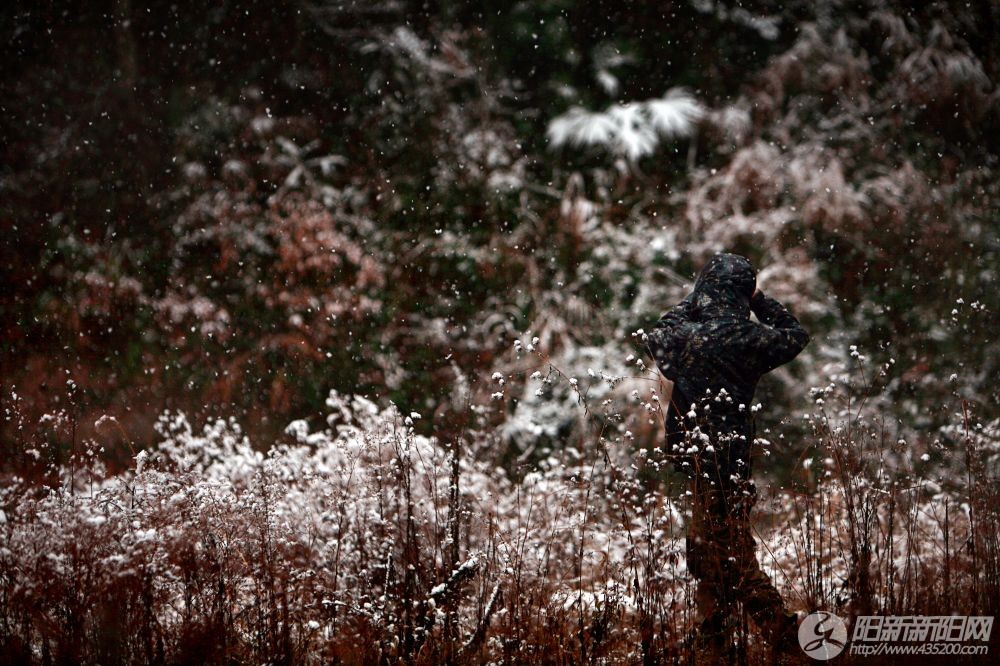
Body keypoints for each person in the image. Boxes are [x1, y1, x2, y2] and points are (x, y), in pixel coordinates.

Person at [645, 253, 810, 663]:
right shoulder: (748, 338)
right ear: (742, 293)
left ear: (706, 290)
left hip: (698, 461)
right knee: (710, 553)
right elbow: (795, 334)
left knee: (730, 558)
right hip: (733, 464)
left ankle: (790, 640)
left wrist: (694, 298)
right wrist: (758, 300)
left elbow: (659, 331)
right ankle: (713, 641)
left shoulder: (686, 337)